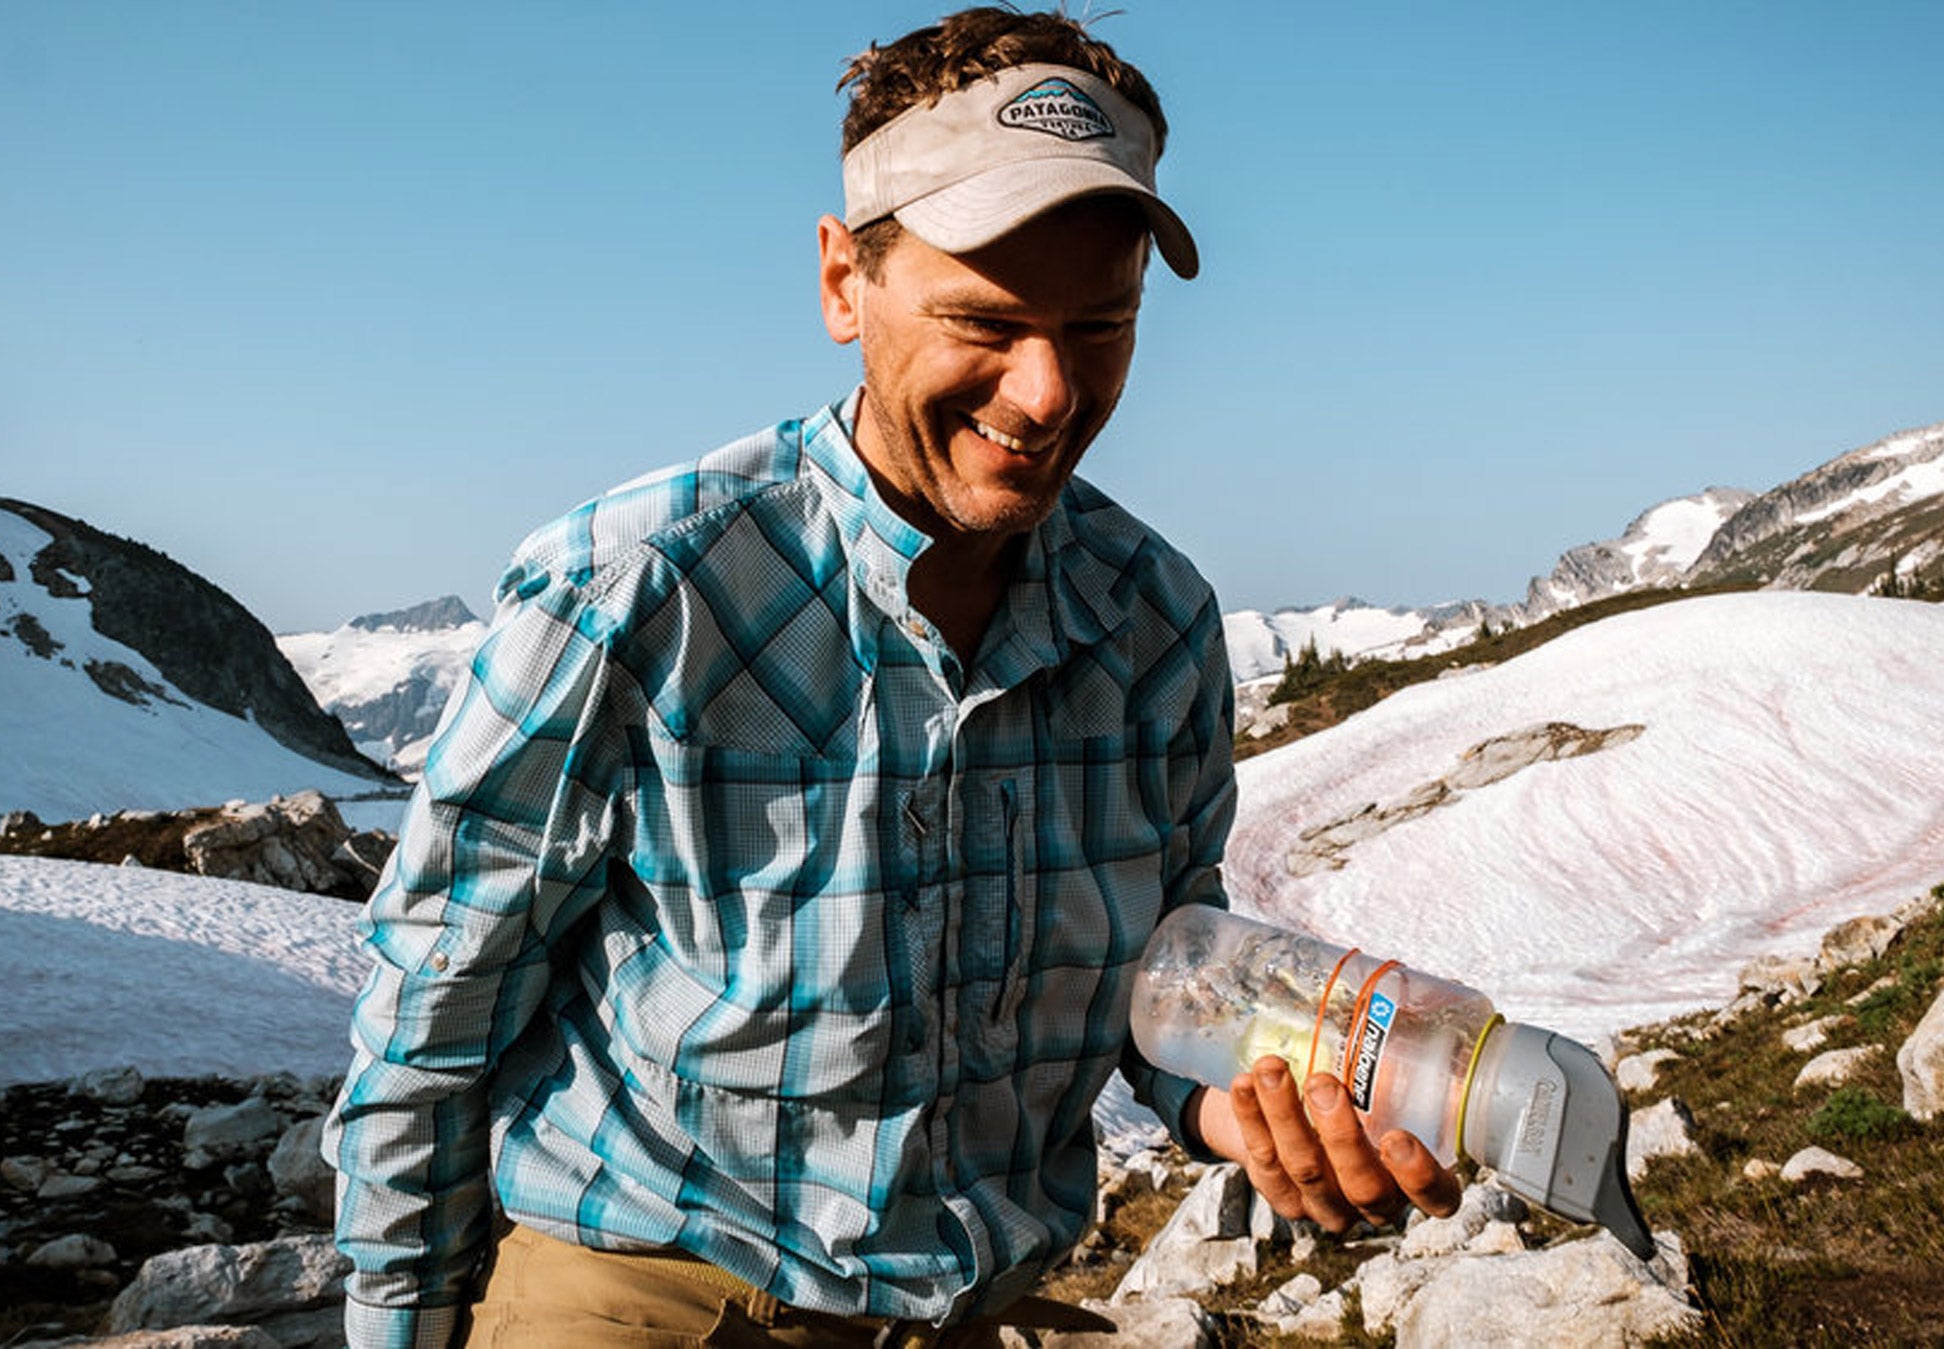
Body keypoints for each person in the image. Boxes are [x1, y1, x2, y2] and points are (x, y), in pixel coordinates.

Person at [325, 9, 1457, 1345]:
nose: (1048, 393)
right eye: (986, 319)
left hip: (966, 1307)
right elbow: (438, 1008)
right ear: (841, 281)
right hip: (648, 1290)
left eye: (1102, 325)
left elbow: (1165, 983)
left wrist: (1246, 1109)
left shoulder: (1155, 622)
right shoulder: (639, 584)